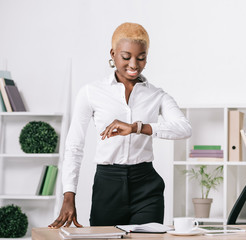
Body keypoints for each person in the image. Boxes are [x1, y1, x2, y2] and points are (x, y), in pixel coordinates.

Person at [49, 22, 192, 228]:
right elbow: (74, 146)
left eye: (141, 58)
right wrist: (68, 195)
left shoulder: (156, 95)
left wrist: (137, 127)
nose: (134, 64)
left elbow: (184, 128)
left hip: (146, 186)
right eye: (126, 57)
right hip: (107, 186)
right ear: (113, 53)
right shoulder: (91, 92)